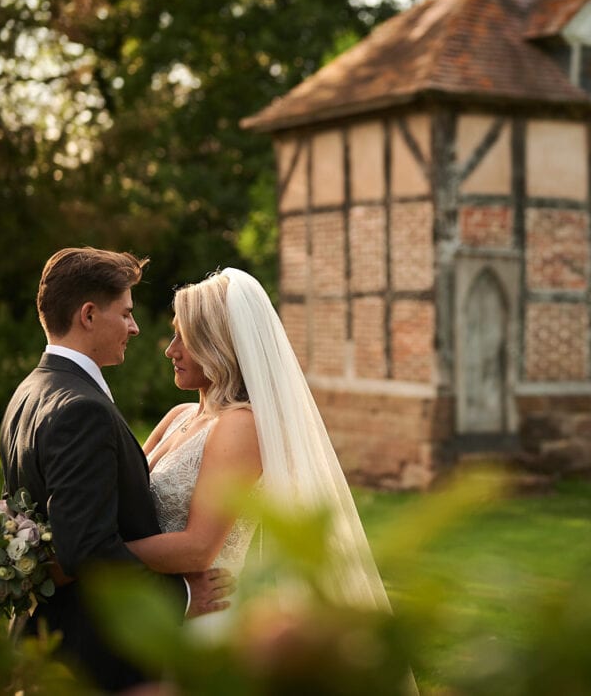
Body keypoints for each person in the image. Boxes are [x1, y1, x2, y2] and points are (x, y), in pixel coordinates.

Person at [0, 247, 231, 691]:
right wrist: (181, 596)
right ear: (89, 315)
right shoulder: (81, 408)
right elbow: (87, 549)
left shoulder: (30, 391)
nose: (135, 327)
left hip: (56, 637)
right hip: (91, 649)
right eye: (125, 314)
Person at [126, 268, 394, 632]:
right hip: (157, 604)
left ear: (216, 343)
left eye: (183, 337)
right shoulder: (178, 416)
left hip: (199, 616)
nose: (170, 350)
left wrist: (93, 557)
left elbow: (198, 548)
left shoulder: (241, 425)